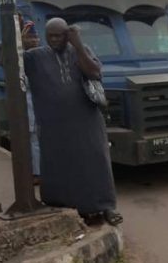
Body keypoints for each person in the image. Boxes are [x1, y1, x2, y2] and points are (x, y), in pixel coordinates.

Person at [24, 17, 122, 225]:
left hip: (85, 118)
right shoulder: (35, 56)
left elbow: (94, 72)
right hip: (54, 123)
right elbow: (6, 65)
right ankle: (61, 207)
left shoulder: (80, 50)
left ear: (67, 35)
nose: (54, 40)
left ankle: (104, 207)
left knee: (95, 161)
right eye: (50, 36)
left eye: (59, 35)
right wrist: (20, 44)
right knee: (59, 165)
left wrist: (77, 45)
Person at [21, 21, 41, 184]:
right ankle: (36, 173)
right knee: (32, 140)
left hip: (42, 106)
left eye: (35, 37)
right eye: (30, 37)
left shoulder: (43, 55)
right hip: (29, 107)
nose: (34, 40)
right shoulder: (20, 58)